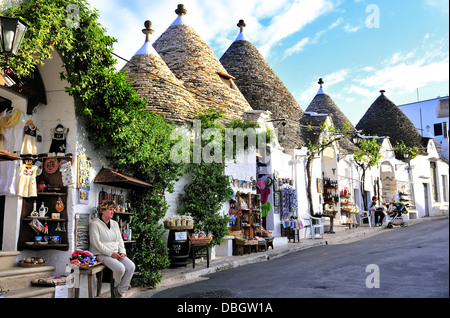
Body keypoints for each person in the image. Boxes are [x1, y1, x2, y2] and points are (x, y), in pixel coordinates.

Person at [89, 200, 135, 297]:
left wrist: (123, 252)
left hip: (116, 253)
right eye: (110, 209)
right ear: (103, 210)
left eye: (113, 209)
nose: (112, 212)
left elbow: (120, 239)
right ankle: (118, 286)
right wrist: (111, 253)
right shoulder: (95, 224)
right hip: (100, 254)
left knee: (131, 266)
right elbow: (96, 244)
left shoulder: (114, 223)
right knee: (120, 268)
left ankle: (120, 291)